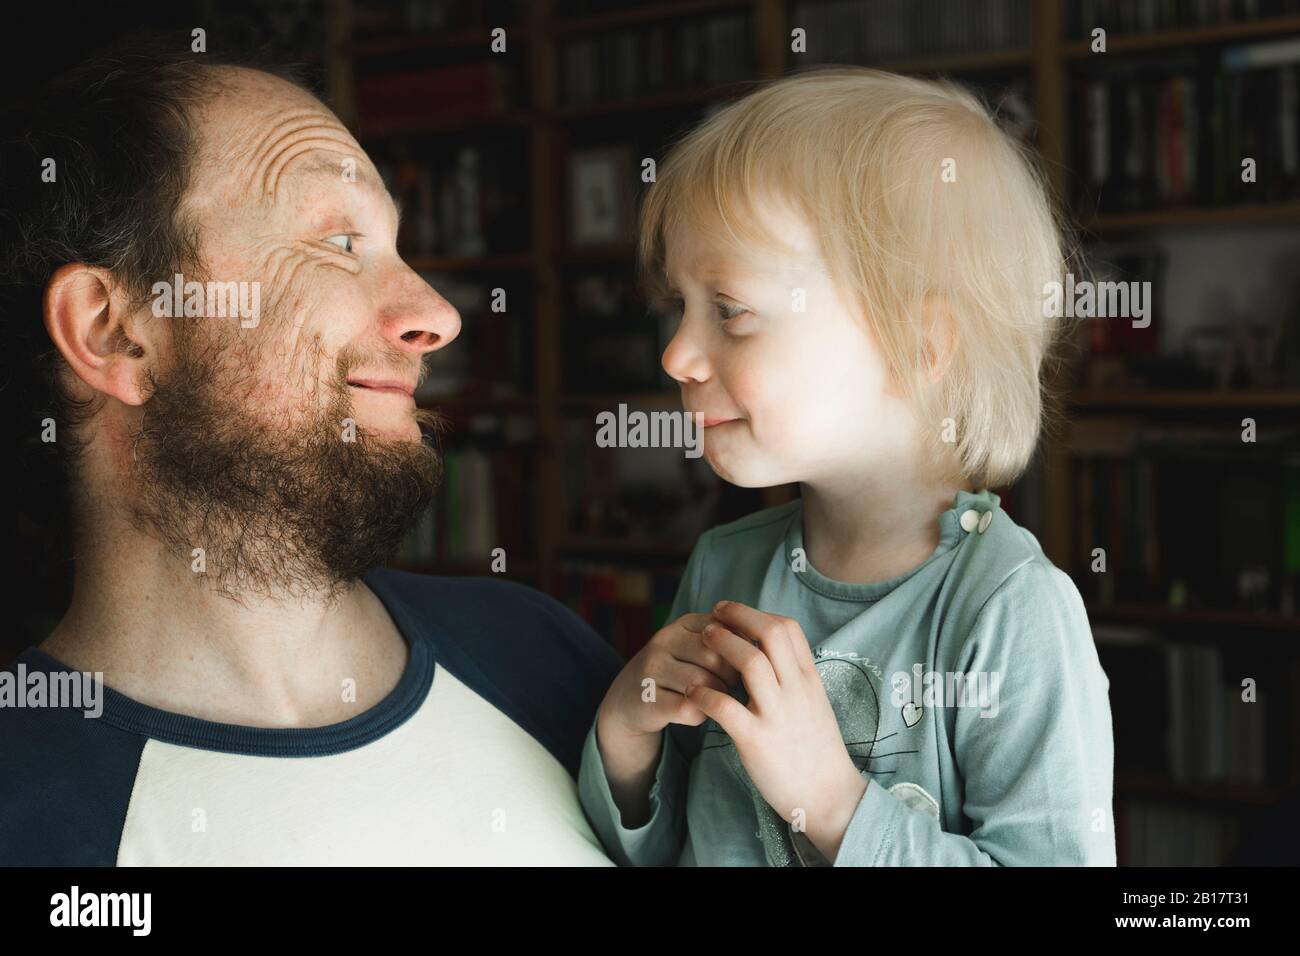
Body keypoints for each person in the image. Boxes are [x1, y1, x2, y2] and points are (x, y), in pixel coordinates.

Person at [0, 40, 618, 866]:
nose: (437, 314)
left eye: (396, 248)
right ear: (114, 332)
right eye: (338, 243)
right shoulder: (25, 815)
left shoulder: (542, 656)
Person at [578, 67, 1116, 866]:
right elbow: (654, 850)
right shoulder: (724, 565)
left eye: (730, 311)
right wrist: (623, 741)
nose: (679, 354)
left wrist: (832, 806)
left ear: (919, 348)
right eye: (678, 310)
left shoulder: (1011, 610)